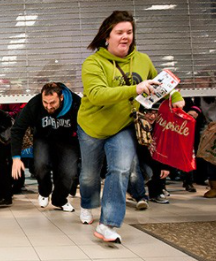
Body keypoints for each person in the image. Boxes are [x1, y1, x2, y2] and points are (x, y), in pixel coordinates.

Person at [78, 11, 184, 243]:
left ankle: (108, 224)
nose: (125, 36)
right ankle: (87, 204)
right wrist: (135, 89)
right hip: (92, 127)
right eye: (119, 32)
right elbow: (96, 95)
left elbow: (160, 82)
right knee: (88, 176)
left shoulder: (142, 60)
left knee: (121, 169)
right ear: (107, 36)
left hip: (123, 126)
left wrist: (175, 96)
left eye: (129, 32)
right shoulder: (93, 63)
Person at [10, 82, 81, 212]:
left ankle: (59, 200)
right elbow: (17, 129)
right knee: (40, 165)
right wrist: (16, 157)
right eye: (45, 102)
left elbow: (86, 126)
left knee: (68, 172)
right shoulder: (35, 104)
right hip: (43, 138)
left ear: (61, 98)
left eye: (52, 103)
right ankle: (44, 191)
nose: (48, 107)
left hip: (68, 140)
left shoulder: (75, 103)